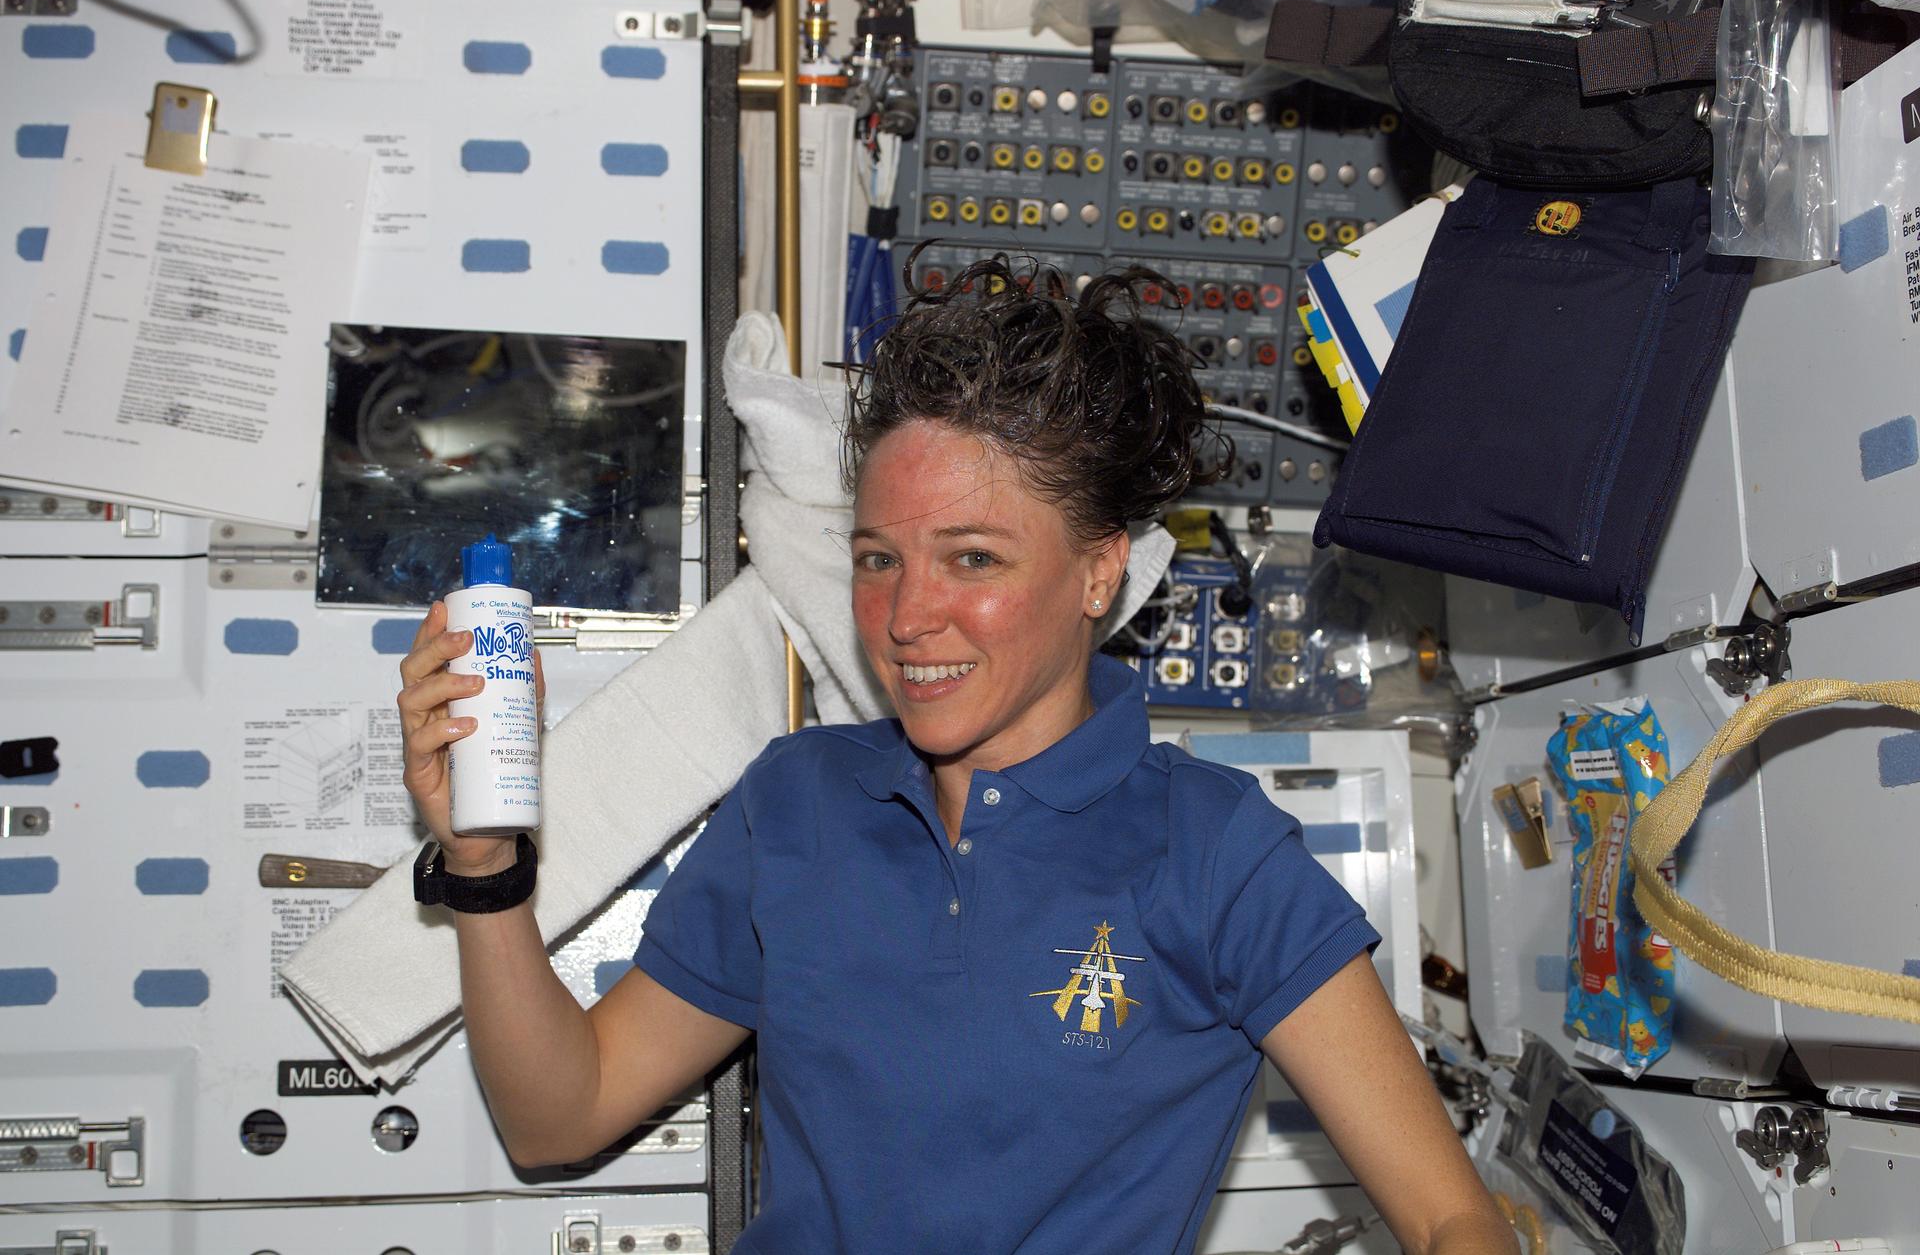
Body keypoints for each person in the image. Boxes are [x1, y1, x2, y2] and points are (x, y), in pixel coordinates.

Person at [398, 258, 1518, 1254]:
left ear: (1098, 571)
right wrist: (485, 864)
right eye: (878, 559)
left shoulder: (1214, 852)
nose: (906, 616)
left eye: (972, 557)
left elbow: (1451, 1219)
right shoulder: (796, 800)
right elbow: (560, 1115)